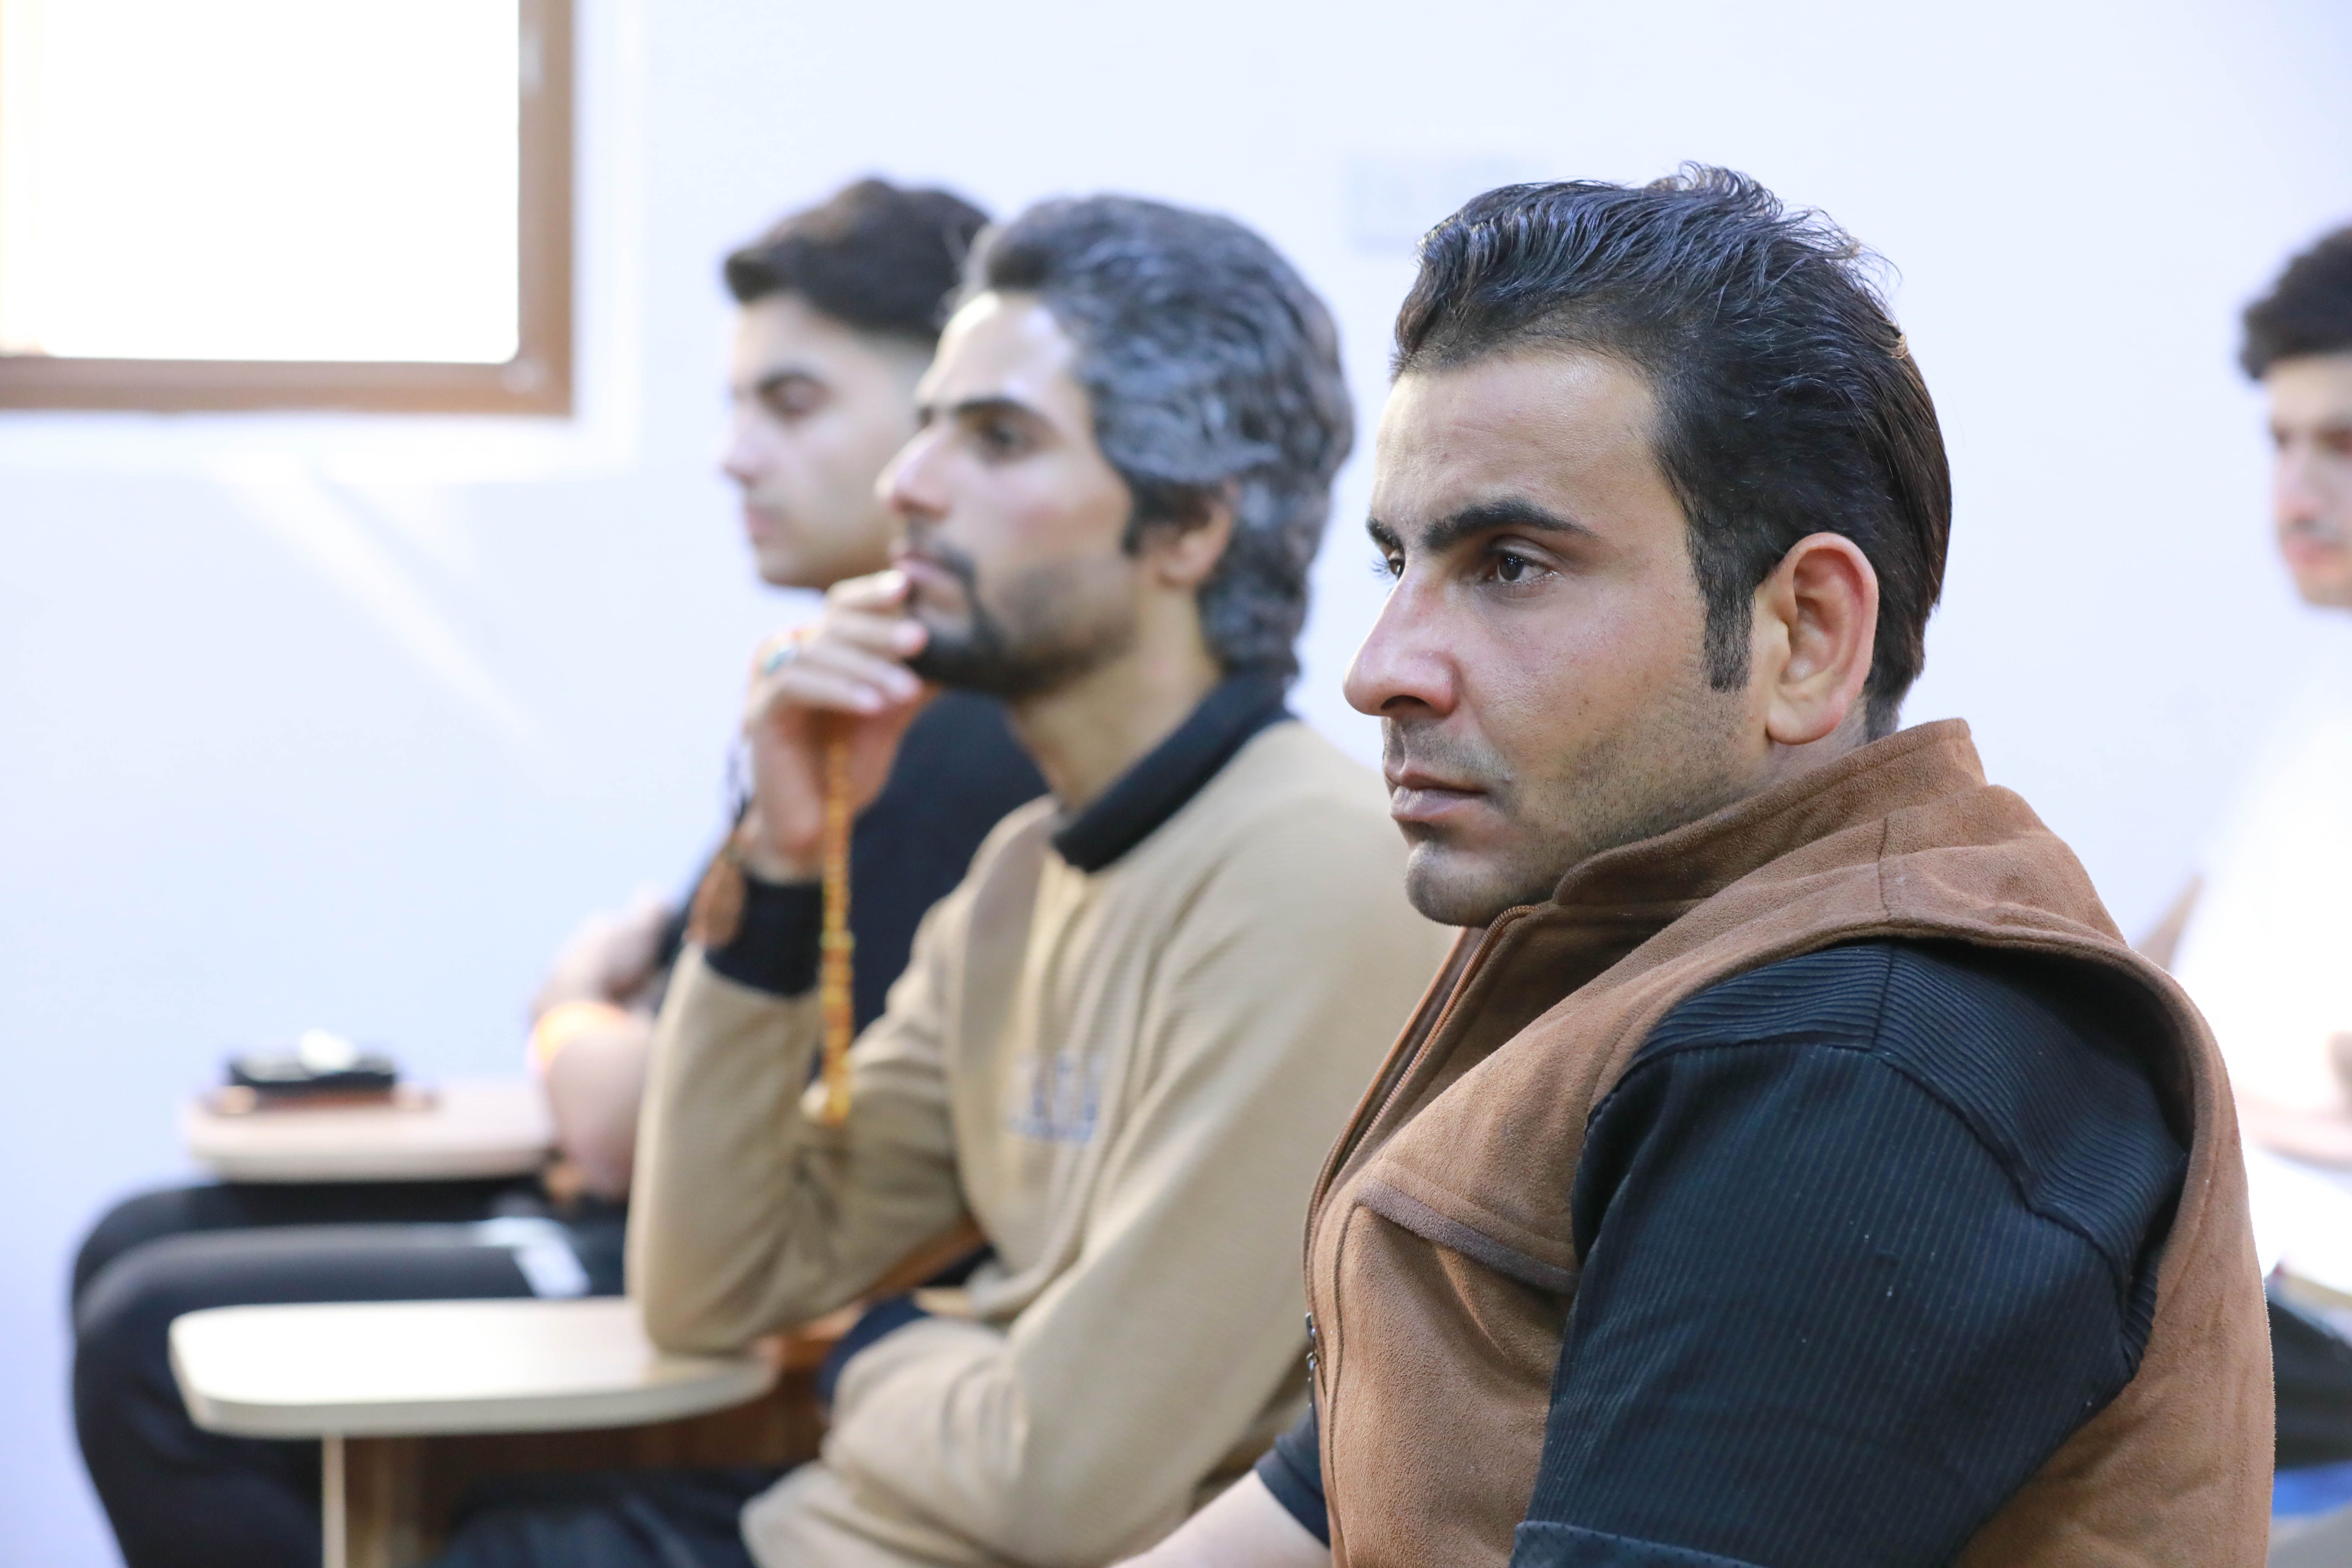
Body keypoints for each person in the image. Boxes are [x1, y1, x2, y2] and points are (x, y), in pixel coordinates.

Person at [1124, 169, 2270, 1568]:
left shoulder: (1858, 1065)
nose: (1381, 670)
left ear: (1805, 635)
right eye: (1397, 565)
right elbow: (1311, 1514)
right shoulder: (1631, 945)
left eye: (1511, 565)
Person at [426, 194, 1450, 1568]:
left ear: (1188, 529)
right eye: (926, 428)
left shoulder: (1313, 875)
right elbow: (712, 1286)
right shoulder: (1027, 872)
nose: (910, 484)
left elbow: (1053, 1480)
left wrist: (878, 1346)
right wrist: (778, 866)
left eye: (997, 438)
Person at [69, 178, 1046, 1568]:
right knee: (131, 1247)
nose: (734, 456)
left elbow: (642, 1121)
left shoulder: (950, 741)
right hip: (665, 1221)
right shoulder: (842, 697)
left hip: (739, 1285)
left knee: (144, 1338)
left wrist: (568, 1012)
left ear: (941, 434)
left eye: (792, 405)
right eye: (734, 407)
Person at [2152, 223, 2352, 1533]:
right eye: (2282, 443)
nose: (2294, 495)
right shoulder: (2328, 687)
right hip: (2228, 1288)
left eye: (2343, 445)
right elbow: (2165, 958)